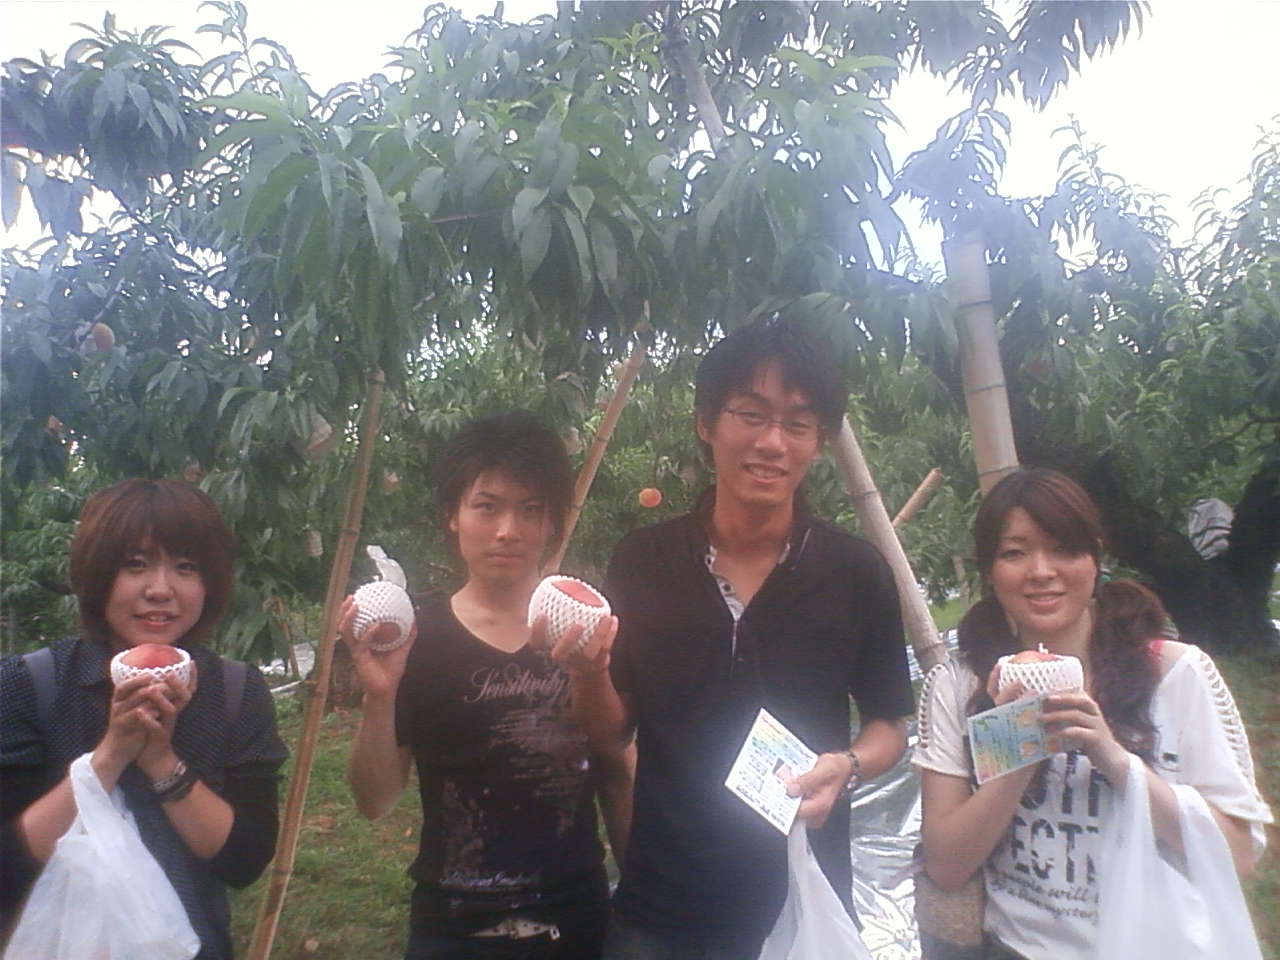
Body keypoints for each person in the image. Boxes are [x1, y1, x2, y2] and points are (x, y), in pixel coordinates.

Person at [562, 316, 915, 958]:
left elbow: (890, 723)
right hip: (663, 907)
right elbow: (611, 730)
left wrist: (849, 764)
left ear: (819, 442)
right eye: (751, 415)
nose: (772, 443)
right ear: (707, 423)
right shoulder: (644, 560)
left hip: (803, 903)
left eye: (797, 424)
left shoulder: (855, 571)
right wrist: (587, 673)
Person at [913, 467, 1274, 960]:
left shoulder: (1174, 673)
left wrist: (1113, 757)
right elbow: (947, 866)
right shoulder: (960, 684)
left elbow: (1238, 855)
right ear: (989, 570)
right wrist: (1020, 743)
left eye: (1064, 548)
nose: (1041, 571)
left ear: (1096, 557)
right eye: (1014, 553)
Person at [343, 411, 628, 959]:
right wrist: (379, 698)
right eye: (487, 506)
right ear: (452, 515)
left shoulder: (588, 635)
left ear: (552, 521)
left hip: (577, 920)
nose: (507, 530)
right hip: (454, 928)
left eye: (530, 509)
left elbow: (620, 764)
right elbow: (375, 801)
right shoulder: (416, 637)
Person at [0, 478, 287, 959]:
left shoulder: (235, 691)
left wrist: (161, 761)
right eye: (135, 564)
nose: (160, 590)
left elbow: (244, 861)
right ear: (96, 573)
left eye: (186, 567)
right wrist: (110, 757)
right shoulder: (32, 684)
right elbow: (8, 866)